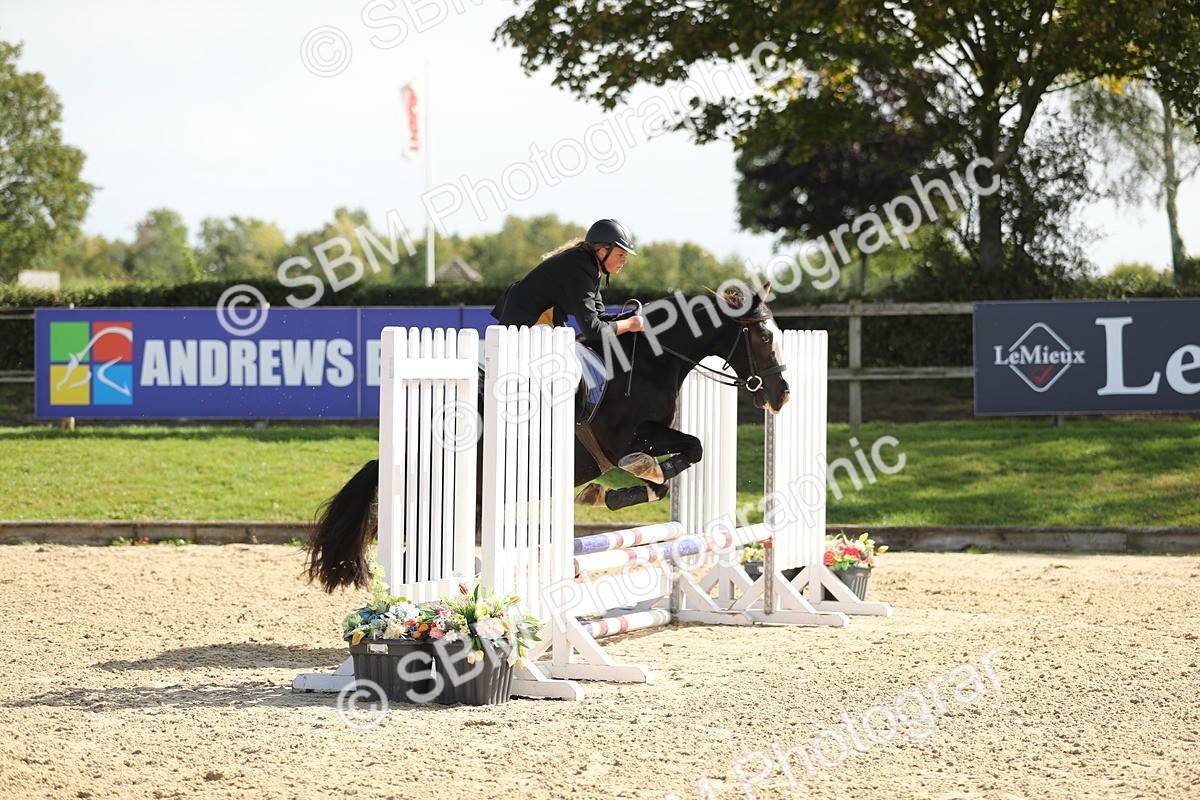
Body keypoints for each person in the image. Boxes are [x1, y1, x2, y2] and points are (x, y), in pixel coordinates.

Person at [490, 219, 645, 344]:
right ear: (604, 250)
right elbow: (593, 331)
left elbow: (600, 317)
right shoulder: (580, 268)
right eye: (621, 255)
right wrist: (630, 324)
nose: (624, 261)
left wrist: (629, 316)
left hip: (537, 321)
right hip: (527, 322)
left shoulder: (590, 265)